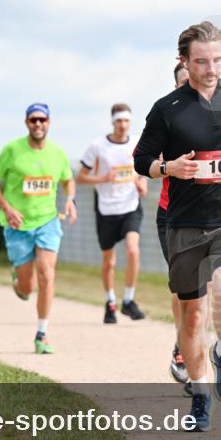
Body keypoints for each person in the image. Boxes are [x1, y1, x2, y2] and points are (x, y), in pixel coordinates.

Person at [134, 21, 221, 431]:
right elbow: (142, 161)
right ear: (184, 62)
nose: (211, 69)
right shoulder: (167, 108)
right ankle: (200, 398)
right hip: (185, 224)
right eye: (202, 61)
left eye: (217, 60)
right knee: (191, 318)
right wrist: (168, 167)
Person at [0, 103, 77, 354]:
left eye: (42, 120)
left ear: (49, 122)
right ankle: (19, 282)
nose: (38, 124)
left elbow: (68, 180)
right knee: (28, 287)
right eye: (33, 120)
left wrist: (70, 200)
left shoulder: (57, 153)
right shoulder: (12, 150)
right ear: (27, 122)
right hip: (17, 225)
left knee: (47, 273)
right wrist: (6, 207)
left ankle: (42, 334)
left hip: (47, 221)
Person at [76, 103, 148, 324]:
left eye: (126, 121)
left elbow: (144, 169)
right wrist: (103, 178)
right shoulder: (98, 146)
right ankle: (110, 302)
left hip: (130, 207)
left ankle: (128, 300)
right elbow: (81, 177)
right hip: (106, 209)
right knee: (109, 261)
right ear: (112, 122)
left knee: (133, 251)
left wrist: (141, 182)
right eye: (119, 121)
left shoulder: (137, 143)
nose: (123, 125)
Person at [160, 63, 200, 389]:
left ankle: (190, 350)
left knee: (207, 289)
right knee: (184, 290)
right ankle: (183, 346)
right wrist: (168, 166)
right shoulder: (163, 118)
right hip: (173, 214)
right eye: (186, 82)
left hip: (214, 216)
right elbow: (143, 160)